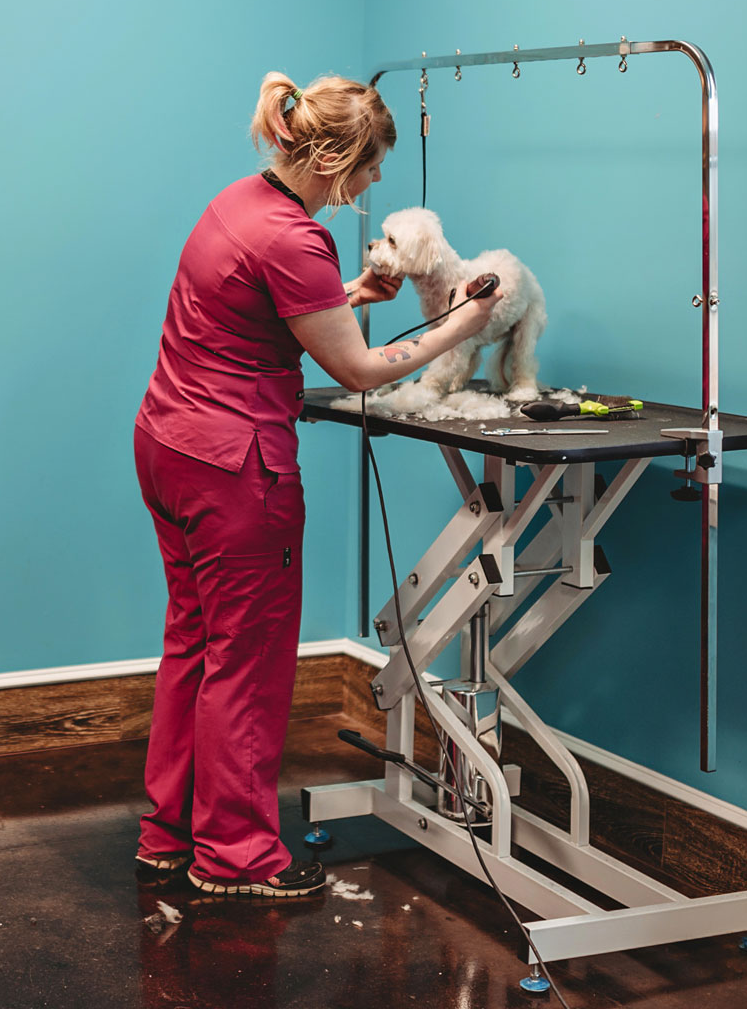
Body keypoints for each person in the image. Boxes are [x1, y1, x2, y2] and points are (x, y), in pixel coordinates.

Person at [131, 71, 502, 898]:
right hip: (236, 472)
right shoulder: (296, 239)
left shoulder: (239, 203)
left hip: (169, 446)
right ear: (336, 158)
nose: (374, 187)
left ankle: (170, 833)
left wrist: (350, 293)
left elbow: (256, 307)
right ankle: (236, 856)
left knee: (194, 642)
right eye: (370, 169)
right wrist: (460, 324)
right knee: (247, 659)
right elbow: (361, 369)